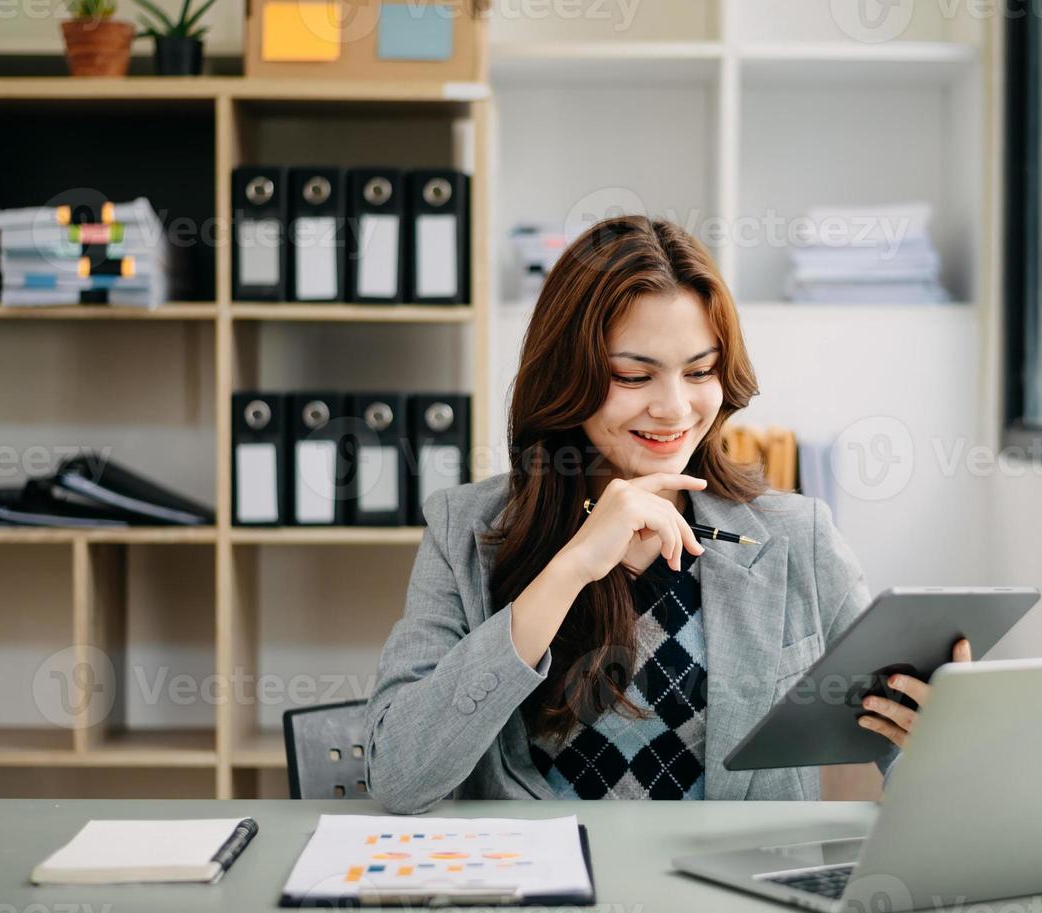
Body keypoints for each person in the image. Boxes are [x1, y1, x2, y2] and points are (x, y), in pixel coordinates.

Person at [365, 215, 968, 813]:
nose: (675, 408)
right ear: (565, 378)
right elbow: (398, 775)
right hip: (546, 902)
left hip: (732, 899)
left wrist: (945, 740)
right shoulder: (464, 530)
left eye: (700, 371)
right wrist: (568, 570)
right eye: (633, 375)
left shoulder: (795, 535)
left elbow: (914, 764)